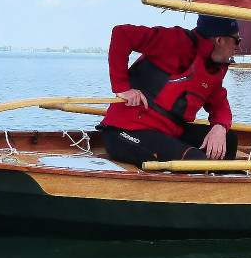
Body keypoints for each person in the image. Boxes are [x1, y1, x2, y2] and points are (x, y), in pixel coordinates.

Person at [99, 15, 242, 167]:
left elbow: (219, 105)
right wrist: (122, 88)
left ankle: (222, 186)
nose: (238, 47)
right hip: (127, 131)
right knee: (194, 161)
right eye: (236, 41)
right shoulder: (178, 41)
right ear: (220, 40)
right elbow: (122, 33)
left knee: (229, 138)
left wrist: (220, 127)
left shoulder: (214, 68)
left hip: (168, 133)